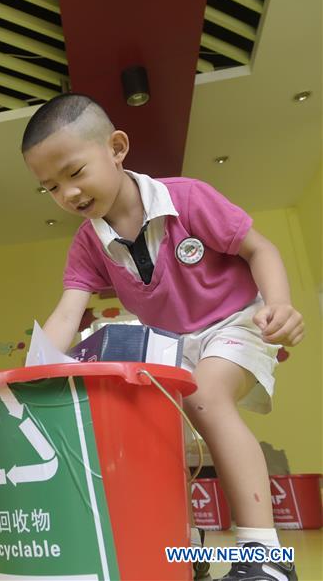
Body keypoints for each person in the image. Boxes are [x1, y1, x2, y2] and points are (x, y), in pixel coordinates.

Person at [21, 93, 303, 581]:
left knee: (208, 396)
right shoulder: (87, 243)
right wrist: (30, 375)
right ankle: (186, 554)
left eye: (74, 172)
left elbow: (261, 249)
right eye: (50, 187)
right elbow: (69, 312)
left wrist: (279, 304)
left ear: (117, 147)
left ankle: (267, 558)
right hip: (169, 345)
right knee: (150, 432)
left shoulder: (188, 198)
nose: (67, 193)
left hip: (236, 321)